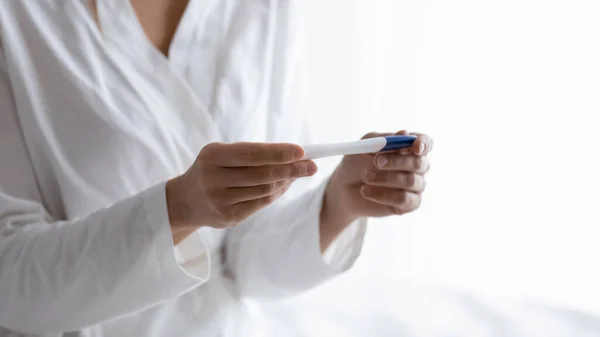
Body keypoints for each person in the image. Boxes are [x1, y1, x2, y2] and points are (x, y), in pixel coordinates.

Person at [0, 1, 432, 336]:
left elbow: (241, 265)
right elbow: (10, 280)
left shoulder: (263, 9)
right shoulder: (19, 21)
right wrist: (177, 210)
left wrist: (337, 205)